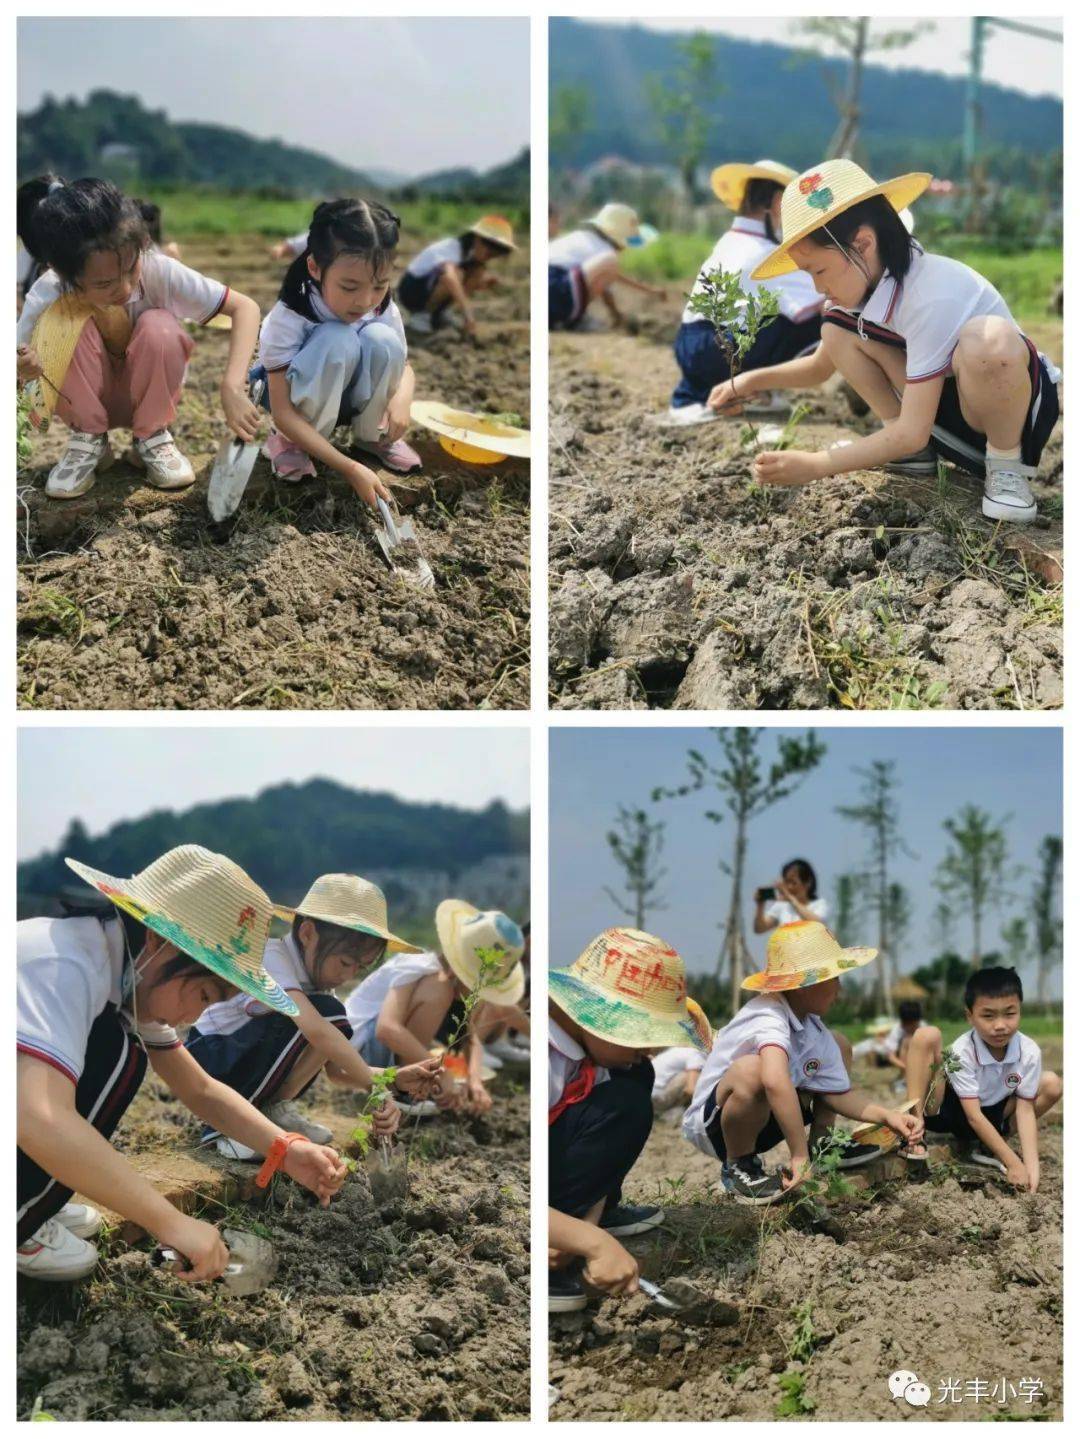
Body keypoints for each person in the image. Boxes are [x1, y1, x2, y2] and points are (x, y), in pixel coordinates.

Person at [17, 845, 347, 1282]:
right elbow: (39, 1116)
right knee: (117, 1054)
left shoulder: (125, 972)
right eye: (205, 995)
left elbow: (201, 1089)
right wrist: (171, 1223)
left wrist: (285, 1149)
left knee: (121, 1048)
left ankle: (39, 1198)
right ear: (159, 941)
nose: (193, 1018)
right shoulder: (65, 966)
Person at [714, 159, 1060, 523]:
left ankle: (1007, 467)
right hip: (946, 414)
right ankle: (911, 453)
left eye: (819, 270)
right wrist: (751, 381)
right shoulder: (870, 289)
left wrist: (816, 465)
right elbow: (820, 365)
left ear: (862, 244)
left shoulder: (933, 293)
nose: (818, 287)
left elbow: (913, 431)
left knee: (987, 341)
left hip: (1010, 418)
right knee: (835, 328)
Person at [16, 176, 261, 500]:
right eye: (104, 284)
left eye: (131, 269)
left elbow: (245, 307)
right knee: (64, 325)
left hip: (148, 390)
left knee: (161, 326)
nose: (127, 289)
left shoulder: (160, 270)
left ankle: (151, 436)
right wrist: (27, 370)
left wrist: (232, 384)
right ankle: (88, 440)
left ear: (141, 244)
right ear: (63, 274)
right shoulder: (48, 292)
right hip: (84, 397)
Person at [186, 874, 440, 1158]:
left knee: (331, 1017)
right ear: (307, 934)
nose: (348, 975)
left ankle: (271, 1111)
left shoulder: (320, 990)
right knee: (327, 1015)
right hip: (212, 1055)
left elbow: (336, 1070)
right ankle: (228, 1127)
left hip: (240, 1057)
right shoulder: (272, 957)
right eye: (345, 962)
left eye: (359, 967)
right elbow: (317, 1030)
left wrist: (391, 1078)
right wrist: (374, 1087)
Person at [683, 920, 923, 1205]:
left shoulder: (811, 1027)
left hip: (763, 1117)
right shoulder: (767, 1014)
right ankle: (739, 1165)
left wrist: (887, 1116)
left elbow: (838, 1094)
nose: (840, 990)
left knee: (839, 1044)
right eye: (834, 979)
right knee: (754, 1070)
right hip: (718, 1126)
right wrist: (798, 1157)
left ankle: (822, 1144)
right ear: (804, 984)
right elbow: (773, 1081)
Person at [548, 927, 707, 1312]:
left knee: (634, 1080)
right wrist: (590, 1244)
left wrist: (590, 1220)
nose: (648, 1049)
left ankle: (584, 1218)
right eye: (638, 1035)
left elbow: (603, 1137)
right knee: (622, 1100)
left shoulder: (595, 1055)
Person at [252, 198, 421, 499]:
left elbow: (405, 367)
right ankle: (291, 444)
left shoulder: (382, 307)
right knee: (336, 338)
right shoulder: (291, 315)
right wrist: (349, 468)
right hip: (293, 407)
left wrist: (402, 400)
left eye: (379, 285)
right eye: (349, 287)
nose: (365, 300)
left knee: (382, 340)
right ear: (315, 268)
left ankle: (373, 438)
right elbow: (281, 411)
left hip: (346, 394)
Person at [667, 159, 823, 425]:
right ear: (777, 203)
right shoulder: (766, 251)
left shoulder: (730, 241)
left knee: (772, 313)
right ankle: (752, 390)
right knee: (825, 317)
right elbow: (822, 301)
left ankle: (733, 391)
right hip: (717, 353)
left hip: (691, 345)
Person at [345, 899, 526, 1116]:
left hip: (380, 1058)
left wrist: (474, 1081)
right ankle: (402, 1093)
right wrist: (442, 1074)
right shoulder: (425, 972)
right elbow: (387, 1029)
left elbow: (471, 1038)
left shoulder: (458, 987)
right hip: (353, 1054)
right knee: (438, 993)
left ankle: (410, 1084)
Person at [903, 966, 1062, 1191]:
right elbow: (974, 1116)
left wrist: (1031, 1167)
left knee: (1052, 1083)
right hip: (952, 1112)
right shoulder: (962, 1051)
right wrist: (1013, 1163)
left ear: (1020, 1010)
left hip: (994, 1114)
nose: (1000, 1025)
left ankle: (994, 1143)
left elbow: (1025, 1111)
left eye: (1009, 1013)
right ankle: (915, 1132)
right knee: (926, 1035)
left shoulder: (1029, 1051)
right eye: (988, 1016)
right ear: (970, 1016)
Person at [549, 203, 666, 331]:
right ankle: (572, 319)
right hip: (557, 291)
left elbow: (614, 277)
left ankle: (564, 317)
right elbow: (607, 287)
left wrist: (651, 290)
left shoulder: (582, 239)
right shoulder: (606, 254)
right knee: (611, 261)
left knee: (609, 264)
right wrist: (616, 315)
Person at [397, 216, 516, 338]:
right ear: (478, 239)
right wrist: (468, 314)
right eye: (491, 251)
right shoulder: (453, 248)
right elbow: (449, 278)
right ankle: (422, 315)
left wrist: (480, 285)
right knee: (456, 275)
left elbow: (458, 287)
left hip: (427, 289)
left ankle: (439, 314)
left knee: (477, 271)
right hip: (411, 291)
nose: (492, 256)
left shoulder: (471, 259)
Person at [753, 858, 827, 934]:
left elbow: (818, 926)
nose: (789, 887)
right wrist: (760, 906)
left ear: (808, 883)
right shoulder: (781, 906)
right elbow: (759, 929)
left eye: (793, 882)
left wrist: (790, 898)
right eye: (786, 882)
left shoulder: (819, 905)